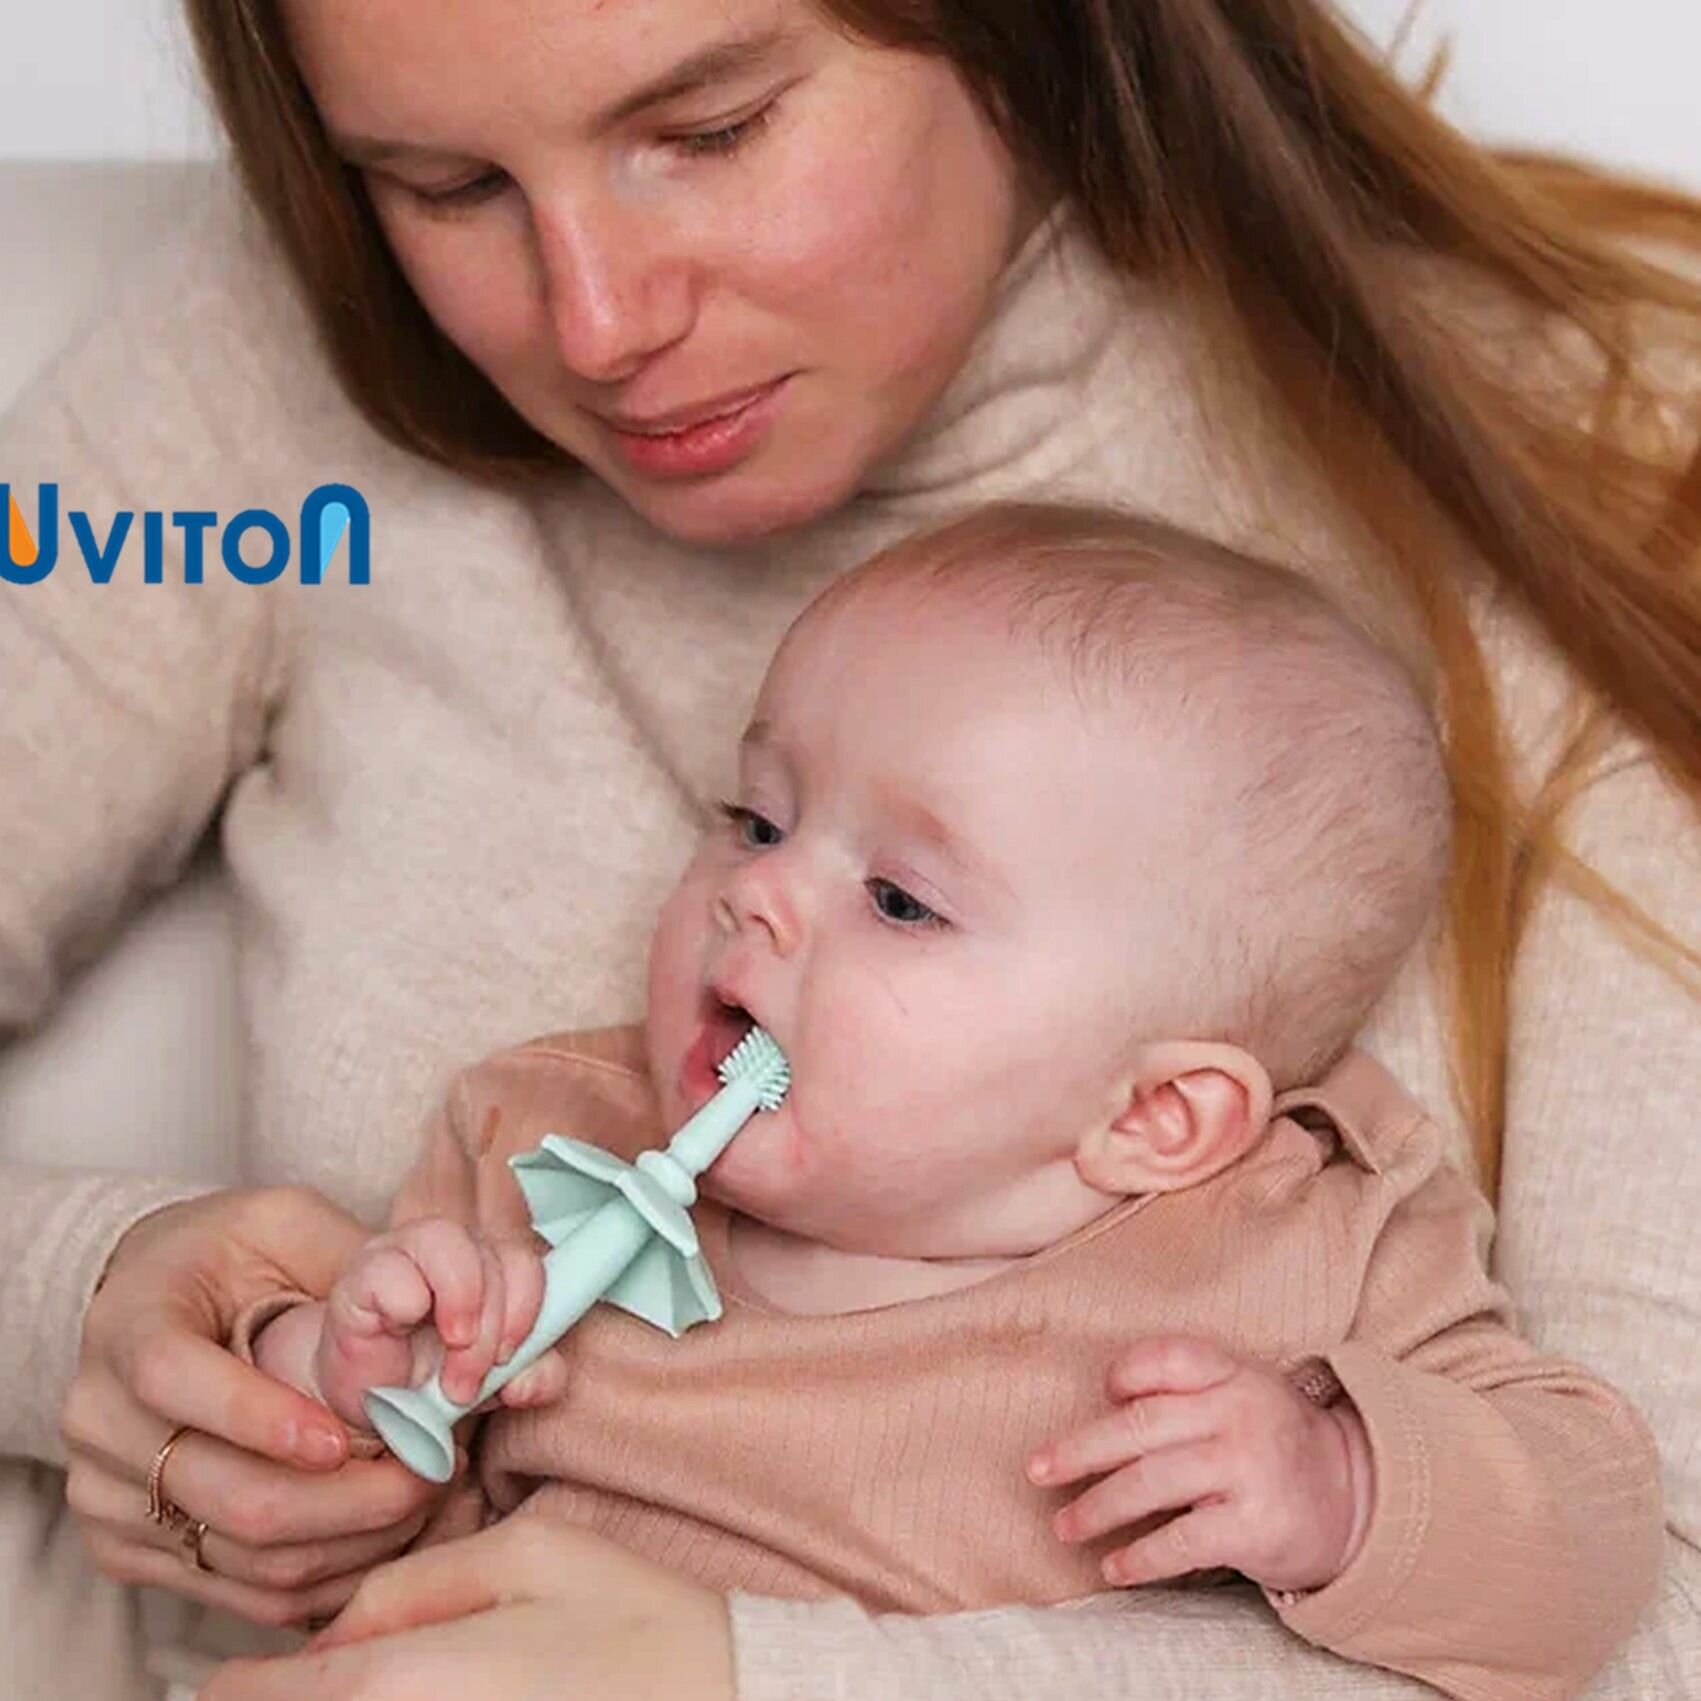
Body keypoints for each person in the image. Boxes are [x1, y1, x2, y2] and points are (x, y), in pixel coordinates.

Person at [0, 0, 1694, 1697]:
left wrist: (757, 1674)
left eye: (711, 128)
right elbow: (388, 1479)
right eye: (445, 185)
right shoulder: (543, 1138)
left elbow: (1629, 1601)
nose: (596, 323)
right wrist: (175, 1334)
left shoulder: (1313, 1223)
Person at [237, 505, 1661, 1701]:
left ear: (1156, 1117)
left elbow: (1594, 1547)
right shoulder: (543, 1141)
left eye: (901, 899)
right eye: (757, 819)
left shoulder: (1306, 1235)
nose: (758, 891)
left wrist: (1343, 1486)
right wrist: (351, 1381)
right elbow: (347, 1558)